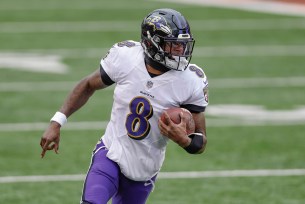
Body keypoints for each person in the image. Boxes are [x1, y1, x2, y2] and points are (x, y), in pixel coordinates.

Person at [40, 8, 209, 204]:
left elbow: (200, 142)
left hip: (145, 169)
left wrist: (185, 141)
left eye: (182, 45)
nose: (180, 51)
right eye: (173, 45)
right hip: (111, 152)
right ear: (151, 42)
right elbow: (88, 85)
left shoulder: (191, 80)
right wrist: (57, 121)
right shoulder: (126, 57)